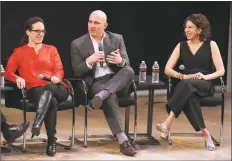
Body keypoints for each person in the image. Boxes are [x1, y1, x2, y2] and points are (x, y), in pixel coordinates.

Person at [70, 10, 136, 156]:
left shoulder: (117, 39)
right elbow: (76, 71)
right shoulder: (77, 44)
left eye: (96, 23)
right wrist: (89, 61)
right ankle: (123, 141)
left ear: (105, 25)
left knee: (129, 70)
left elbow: (127, 62)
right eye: (90, 22)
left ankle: (103, 95)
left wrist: (120, 61)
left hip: (117, 81)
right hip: (96, 83)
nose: (92, 25)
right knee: (110, 98)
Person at [156, 13, 225, 151]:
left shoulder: (211, 45)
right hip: (186, 84)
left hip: (204, 83)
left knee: (185, 87)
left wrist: (206, 77)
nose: (186, 30)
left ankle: (168, 122)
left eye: (190, 27)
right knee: (189, 95)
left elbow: (221, 71)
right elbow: (167, 69)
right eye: (185, 27)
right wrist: (182, 76)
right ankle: (206, 134)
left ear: (199, 29)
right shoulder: (181, 46)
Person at [4, 17, 69, 156]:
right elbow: (8, 72)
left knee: (50, 90)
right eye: (37, 31)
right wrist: (17, 78)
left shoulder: (51, 49)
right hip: (34, 90)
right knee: (50, 100)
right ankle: (51, 140)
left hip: (57, 88)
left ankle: (37, 123)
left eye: (43, 31)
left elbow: (59, 69)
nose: (40, 34)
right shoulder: (19, 52)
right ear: (28, 32)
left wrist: (57, 77)